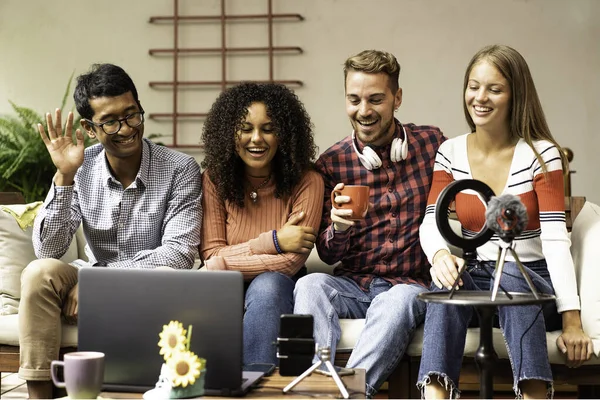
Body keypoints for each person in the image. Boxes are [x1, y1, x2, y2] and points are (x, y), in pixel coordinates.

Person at [417, 44, 593, 399]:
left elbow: (557, 241)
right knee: (444, 290)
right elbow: (430, 223)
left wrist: (572, 321)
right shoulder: (449, 152)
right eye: (473, 86)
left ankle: (533, 393)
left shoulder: (543, 155)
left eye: (494, 89)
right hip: (479, 276)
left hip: (531, 278)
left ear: (516, 95)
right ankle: (434, 395)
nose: (479, 98)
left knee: (510, 273)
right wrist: (440, 257)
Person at [19, 63, 202, 398]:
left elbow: (178, 253)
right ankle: (39, 393)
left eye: (133, 114)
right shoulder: (80, 167)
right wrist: (64, 177)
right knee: (38, 272)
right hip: (91, 280)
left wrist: (99, 281)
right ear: (90, 128)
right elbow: (48, 249)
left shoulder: (180, 169)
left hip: (153, 283)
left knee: (165, 272)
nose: (127, 128)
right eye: (111, 122)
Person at [293, 49, 445, 398]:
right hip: (355, 285)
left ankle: (349, 394)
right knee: (310, 286)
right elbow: (328, 255)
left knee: (400, 298)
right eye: (354, 99)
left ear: (397, 98)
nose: (364, 110)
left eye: (376, 99)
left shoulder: (433, 144)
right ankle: (318, 387)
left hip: (410, 285)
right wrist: (339, 228)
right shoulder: (332, 163)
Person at [199, 82, 324, 366]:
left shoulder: (308, 181)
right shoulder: (214, 179)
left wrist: (224, 262)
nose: (256, 139)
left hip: (278, 285)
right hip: (223, 285)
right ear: (230, 133)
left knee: (267, 285)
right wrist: (273, 242)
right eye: (245, 128)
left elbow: (291, 261)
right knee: (208, 293)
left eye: (268, 128)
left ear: (285, 134)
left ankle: (258, 389)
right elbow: (211, 255)